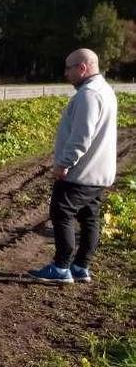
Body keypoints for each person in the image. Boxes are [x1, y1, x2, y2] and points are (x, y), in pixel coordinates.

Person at [28, 48, 118, 284]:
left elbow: (81, 137)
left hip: (81, 173)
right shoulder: (106, 91)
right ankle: (80, 266)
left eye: (69, 68)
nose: (65, 73)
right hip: (99, 172)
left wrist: (64, 163)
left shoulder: (88, 95)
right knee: (90, 218)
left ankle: (60, 268)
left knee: (61, 213)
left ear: (82, 68)